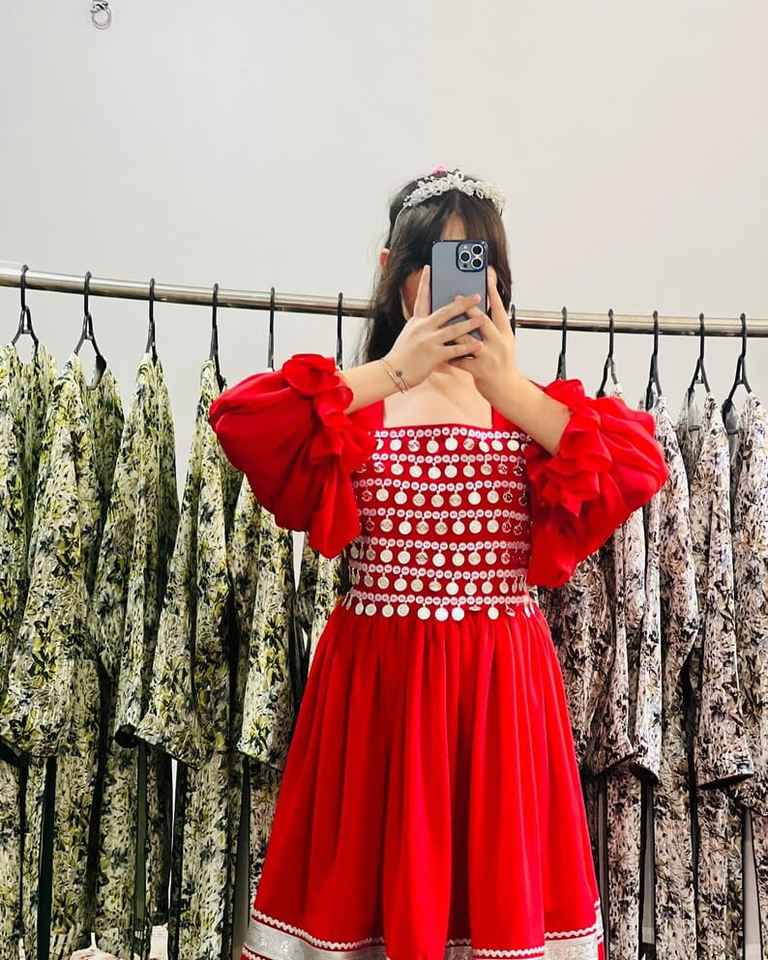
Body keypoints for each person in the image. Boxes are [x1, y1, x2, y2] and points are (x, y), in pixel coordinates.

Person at [208, 166, 670, 960]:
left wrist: (509, 387)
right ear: (395, 273)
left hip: (497, 703)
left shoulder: (528, 411)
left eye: (476, 262)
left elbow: (639, 465)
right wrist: (395, 369)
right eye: (437, 260)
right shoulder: (358, 403)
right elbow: (242, 419)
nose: (459, 284)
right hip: (375, 700)